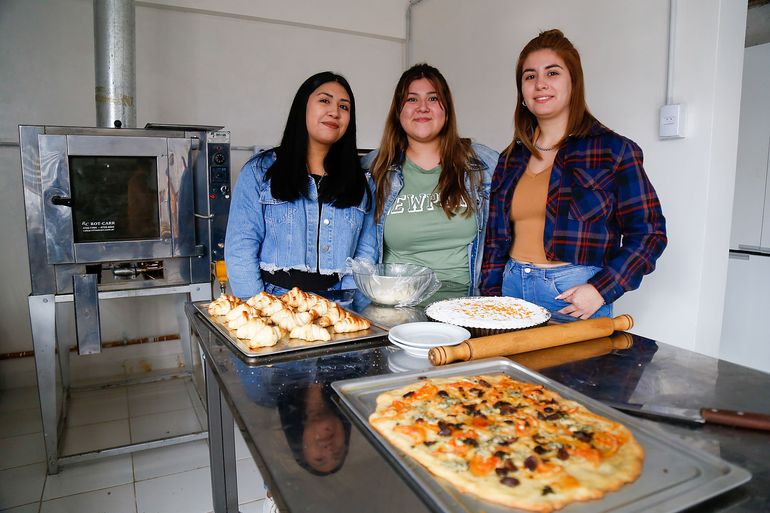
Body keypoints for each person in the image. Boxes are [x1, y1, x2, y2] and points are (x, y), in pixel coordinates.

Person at [480, 29, 667, 322]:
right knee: (506, 370)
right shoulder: (510, 159)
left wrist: (602, 290)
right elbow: (495, 241)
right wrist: (490, 296)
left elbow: (649, 233)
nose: (540, 84)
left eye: (552, 73)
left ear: (573, 82)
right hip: (510, 290)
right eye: (530, 76)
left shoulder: (613, 151)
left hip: (573, 296)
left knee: (577, 370)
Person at [225, 72, 377, 299]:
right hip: (273, 302)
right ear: (303, 107)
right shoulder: (260, 171)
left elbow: (365, 255)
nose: (335, 112)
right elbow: (240, 249)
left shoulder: (362, 180)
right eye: (324, 100)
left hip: (337, 304)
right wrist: (257, 310)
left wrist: (350, 304)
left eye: (344, 107)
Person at [362, 63, 499, 300]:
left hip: (465, 306)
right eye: (412, 99)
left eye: (433, 98)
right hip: (399, 305)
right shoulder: (373, 169)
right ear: (398, 111)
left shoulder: (483, 163)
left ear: (446, 109)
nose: (423, 108)